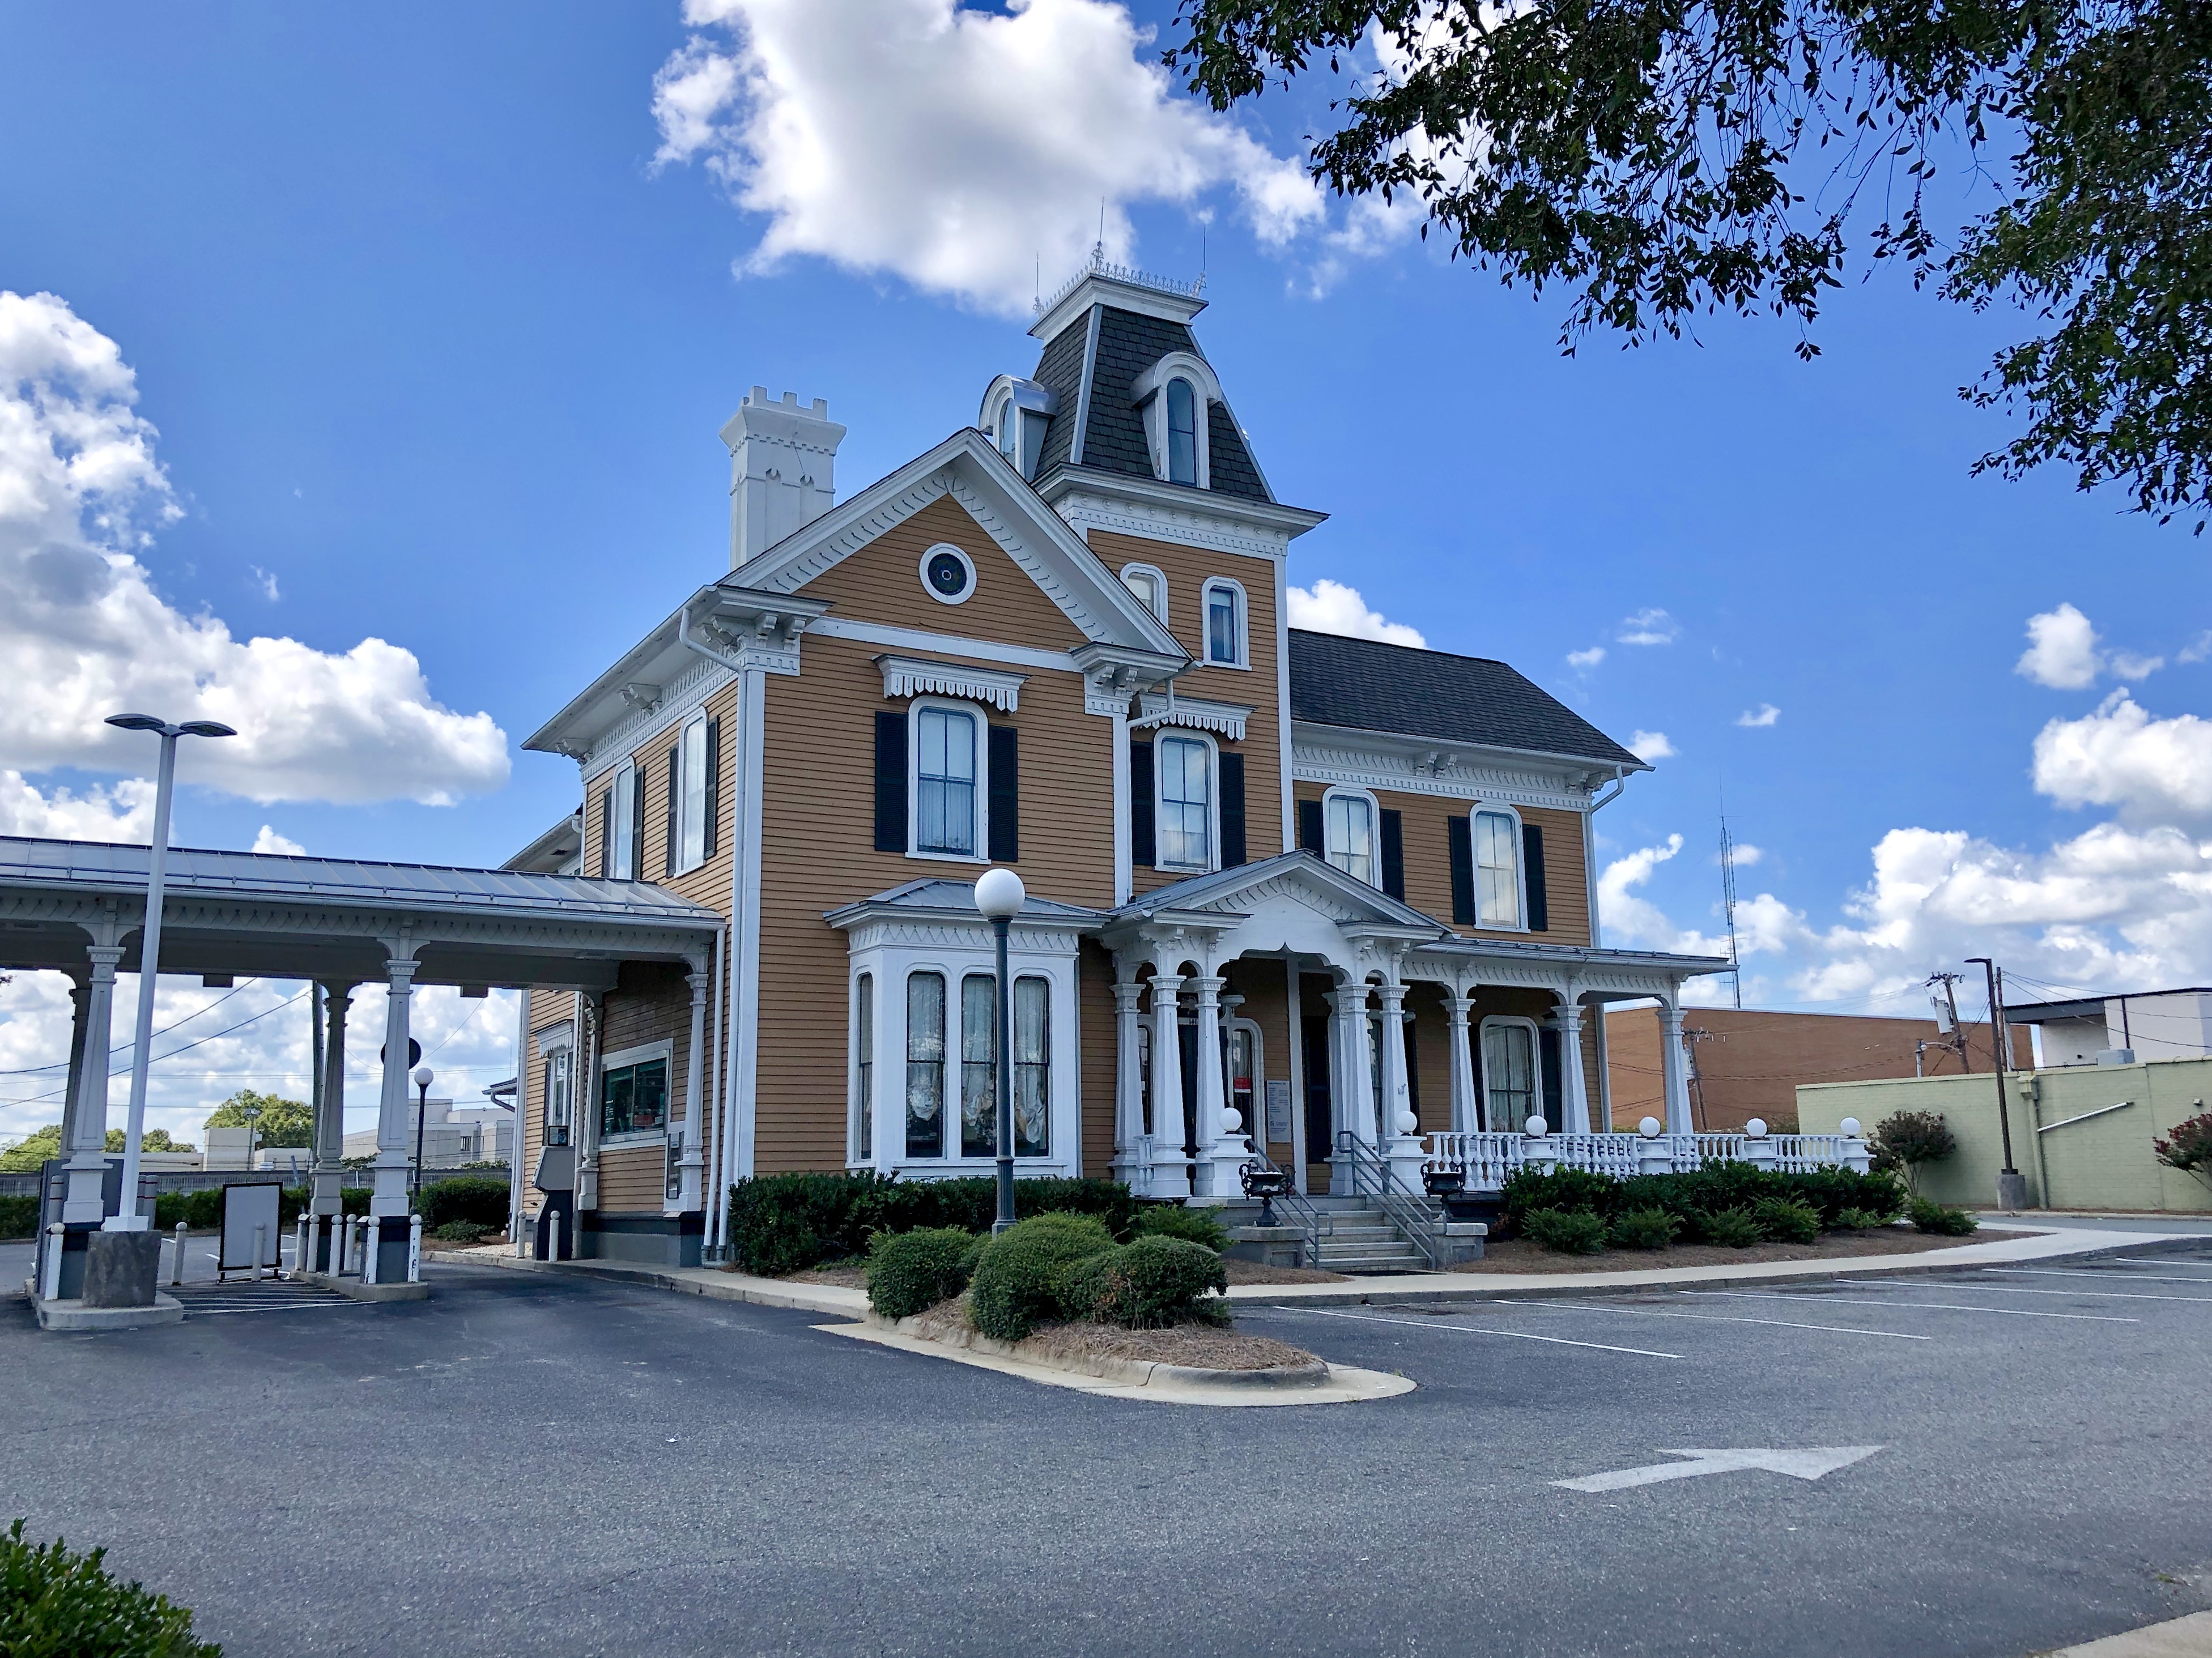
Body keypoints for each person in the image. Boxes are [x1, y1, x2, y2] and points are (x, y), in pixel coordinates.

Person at [532, 1126, 575, 1261]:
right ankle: (551, 1256)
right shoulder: (565, 1157)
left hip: (559, 1195)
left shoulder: (564, 1157)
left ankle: (553, 1255)